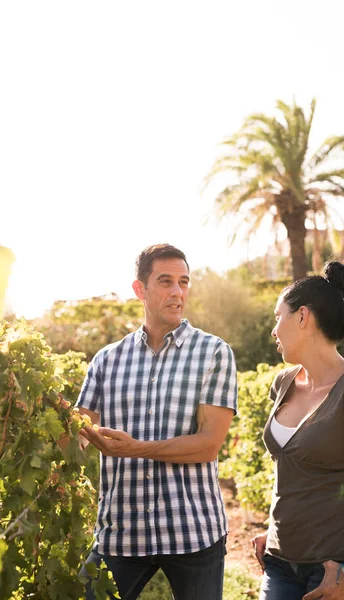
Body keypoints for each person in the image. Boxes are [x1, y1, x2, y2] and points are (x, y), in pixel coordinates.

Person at [76, 243, 238, 600]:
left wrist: (136, 450)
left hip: (192, 530)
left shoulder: (213, 352)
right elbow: (77, 435)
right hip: (122, 529)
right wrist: (44, 413)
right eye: (165, 282)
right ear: (140, 289)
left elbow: (209, 445)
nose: (177, 293)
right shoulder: (107, 360)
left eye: (184, 282)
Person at [252, 261, 344, 600]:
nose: (274, 330)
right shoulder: (283, 383)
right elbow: (287, 469)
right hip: (277, 562)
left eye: (279, 317)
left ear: (303, 317)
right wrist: (270, 527)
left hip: (330, 570)